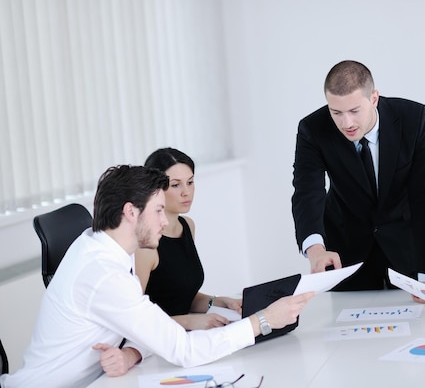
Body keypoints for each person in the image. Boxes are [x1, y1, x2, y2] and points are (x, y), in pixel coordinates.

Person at [0, 165, 314, 388]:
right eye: (158, 211)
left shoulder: (98, 244)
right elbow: (184, 351)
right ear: (130, 212)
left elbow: (145, 323)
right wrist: (263, 321)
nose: (165, 222)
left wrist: (133, 352)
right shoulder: (103, 275)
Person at [291, 60, 425, 291]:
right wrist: (316, 250)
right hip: (347, 249)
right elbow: (307, 191)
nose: (346, 123)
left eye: (354, 111)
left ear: (374, 98)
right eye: (336, 113)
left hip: (406, 246)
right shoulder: (312, 129)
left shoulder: (414, 119)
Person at [136, 148, 240, 331]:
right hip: (153, 344)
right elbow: (134, 317)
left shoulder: (187, 226)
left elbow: (181, 296)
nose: (187, 192)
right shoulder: (146, 244)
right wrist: (188, 322)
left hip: (187, 334)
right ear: (154, 190)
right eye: (175, 185)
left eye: (190, 182)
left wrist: (220, 302)